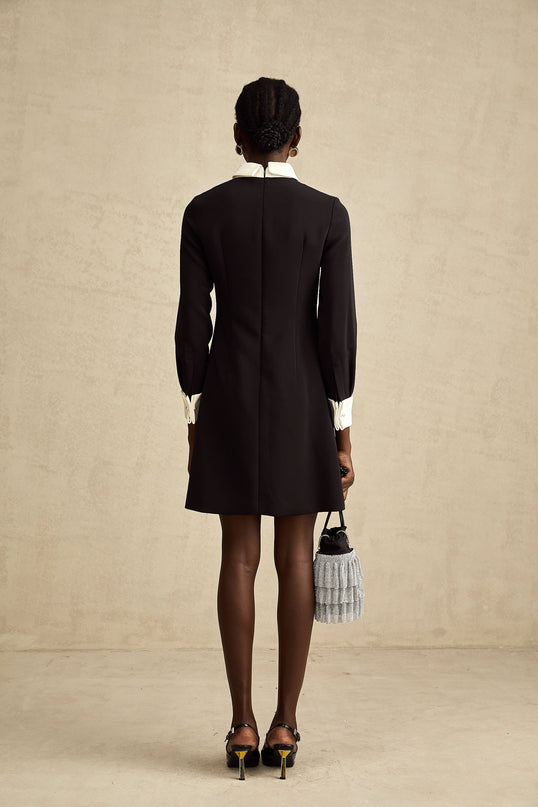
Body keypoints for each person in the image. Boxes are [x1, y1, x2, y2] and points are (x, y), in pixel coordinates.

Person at [174, 77, 357, 778]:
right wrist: (343, 431)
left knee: (238, 557)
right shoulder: (327, 214)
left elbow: (193, 325)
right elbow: (335, 331)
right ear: (298, 138)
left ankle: (241, 723)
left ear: (237, 137)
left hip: (227, 401)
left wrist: (195, 415)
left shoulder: (203, 212)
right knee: (295, 558)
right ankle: (285, 725)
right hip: (302, 402)